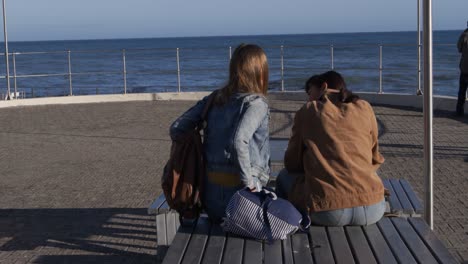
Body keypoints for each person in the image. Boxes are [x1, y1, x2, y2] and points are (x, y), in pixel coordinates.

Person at [169, 44, 270, 222]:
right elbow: (239, 140)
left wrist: (200, 145)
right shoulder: (256, 103)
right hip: (243, 200)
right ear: (260, 71)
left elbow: (177, 128)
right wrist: (249, 184)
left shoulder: (215, 99)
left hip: (211, 199)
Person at [276, 71, 386, 226]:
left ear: (324, 86)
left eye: (310, 92)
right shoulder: (365, 107)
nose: (309, 98)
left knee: (283, 178)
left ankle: (284, 231)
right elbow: (375, 157)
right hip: (373, 207)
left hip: (328, 211)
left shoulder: (308, 110)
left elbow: (292, 163)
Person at [456, 21, 468, 116]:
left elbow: (459, 48)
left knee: (462, 91)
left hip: (465, 67)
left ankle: (459, 111)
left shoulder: (464, 35)